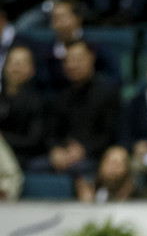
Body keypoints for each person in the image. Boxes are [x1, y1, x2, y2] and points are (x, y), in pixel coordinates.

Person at [34, 40, 120, 176]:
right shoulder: (60, 97)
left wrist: (84, 150)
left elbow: (110, 134)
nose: (73, 65)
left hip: (95, 155)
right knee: (36, 167)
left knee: (79, 169)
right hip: (65, 154)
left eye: (78, 59)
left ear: (91, 58)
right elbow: (51, 133)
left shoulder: (108, 93)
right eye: (69, 60)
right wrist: (56, 150)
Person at [0, 45, 46, 168]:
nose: (15, 68)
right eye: (12, 62)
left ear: (32, 70)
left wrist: (3, 138)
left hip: (20, 156)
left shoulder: (38, 101)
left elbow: (33, 141)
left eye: (21, 63)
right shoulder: (1, 97)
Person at [75, 144, 147, 203]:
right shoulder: (88, 186)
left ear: (128, 169)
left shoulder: (141, 193)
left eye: (118, 163)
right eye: (109, 162)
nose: (113, 168)